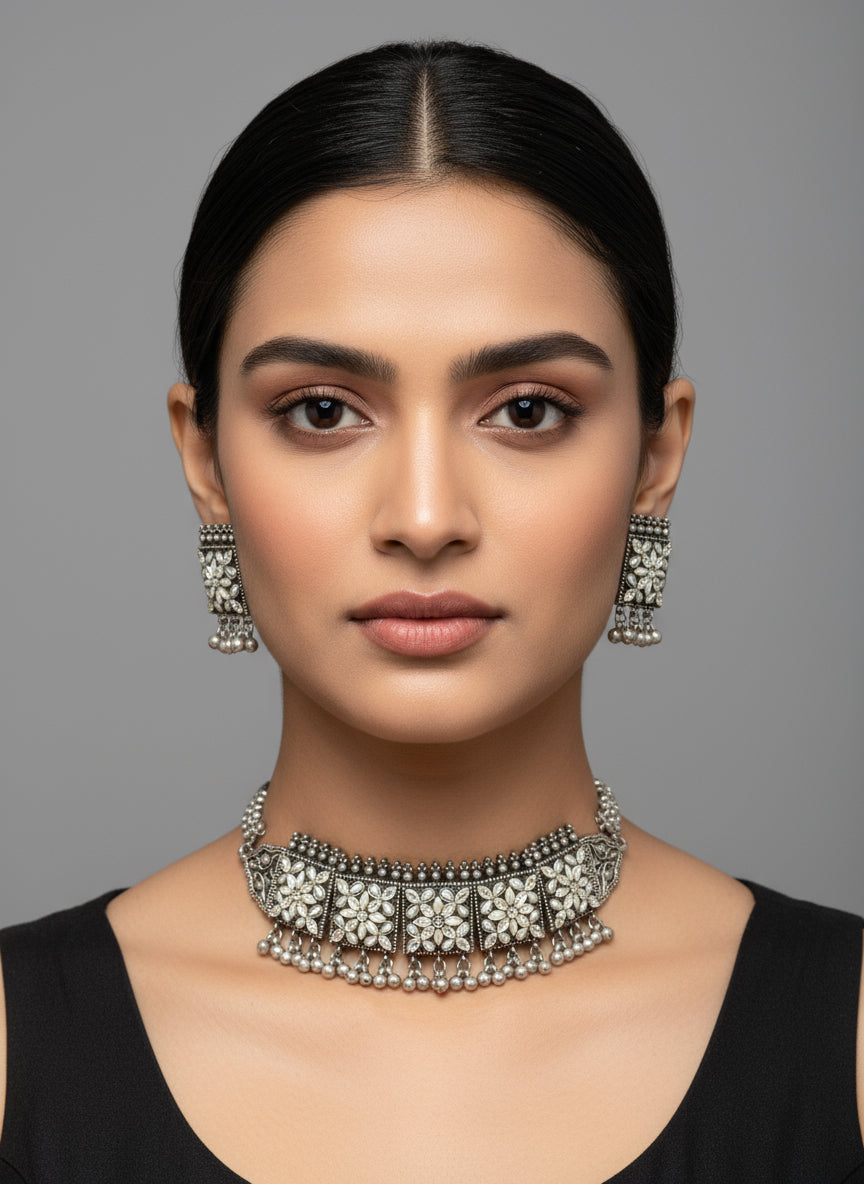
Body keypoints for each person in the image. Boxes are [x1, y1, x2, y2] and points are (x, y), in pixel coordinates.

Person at [1, 39, 861, 1183]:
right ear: (204, 456)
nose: (422, 514)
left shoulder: (845, 1037)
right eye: (320, 410)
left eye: (525, 410)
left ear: (657, 453)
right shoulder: (17, 1045)